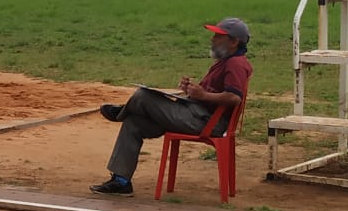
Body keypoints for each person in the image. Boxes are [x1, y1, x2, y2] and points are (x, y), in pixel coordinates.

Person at [91, 18, 253, 197]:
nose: (212, 39)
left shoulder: (235, 64)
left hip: (205, 122)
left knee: (142, 96)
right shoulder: (226, 61)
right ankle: (121, 182)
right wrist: (190, 90)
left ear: (234, 41)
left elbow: (234, 97)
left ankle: (120, 112)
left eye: (218, 36)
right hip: (195, 114)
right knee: (133, 123)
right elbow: (210, 93)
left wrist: (203, 95)